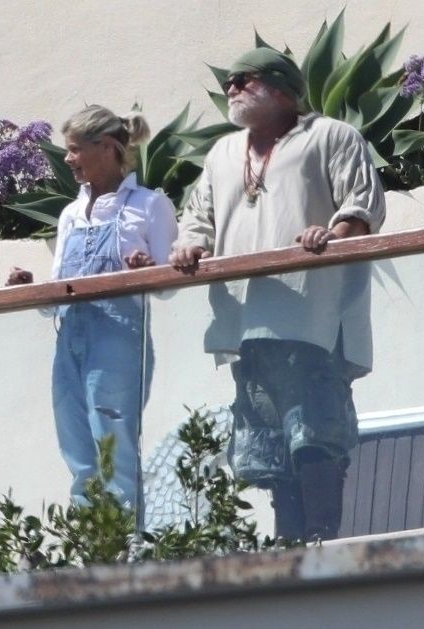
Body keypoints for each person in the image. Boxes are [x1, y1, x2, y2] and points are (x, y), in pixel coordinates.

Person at [169, 48, 386, 541]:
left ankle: (321, 539)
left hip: (315, 317)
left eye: (242, 79)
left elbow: (362, 205)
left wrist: (332, 233)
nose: (231, 88)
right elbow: (198, 216)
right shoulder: (222, 153)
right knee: (267, 446)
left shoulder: (330, 135)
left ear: (280, 86)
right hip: (246, 324)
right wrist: (191, 245)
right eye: (228, 81)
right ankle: (288, 547)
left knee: (315, 433)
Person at [8, 105, 177, 507]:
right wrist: (31, 288)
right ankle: (90, 538)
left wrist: (147, 271)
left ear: (105, 147)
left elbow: (170, 287)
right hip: (69, 341)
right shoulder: (70, 214)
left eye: (74, 149)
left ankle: (126, 539)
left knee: (114, 449)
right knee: (78, 452)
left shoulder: (149, 205)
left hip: (119, 341)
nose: (68, 159)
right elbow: (57, 292)